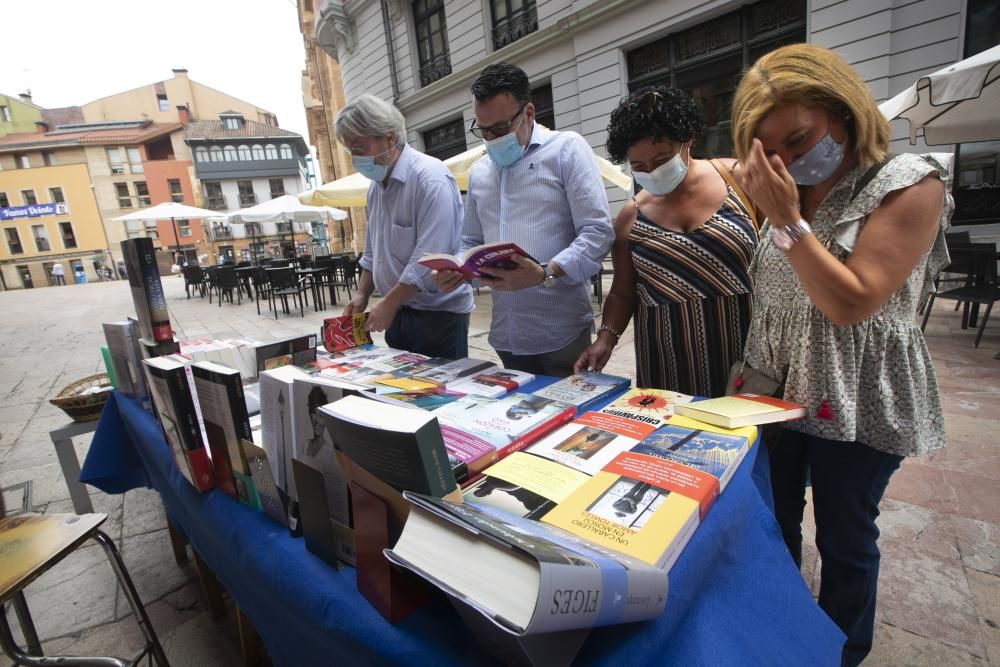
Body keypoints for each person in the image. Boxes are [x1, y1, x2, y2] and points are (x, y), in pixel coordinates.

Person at [729, 43, 952, 667]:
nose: (789, 160)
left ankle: (842, 651)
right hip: (779, 389)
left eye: (798, 140)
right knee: (774, 520)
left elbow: (852, 302)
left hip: (858, 394)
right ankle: (786, 627)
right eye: (769, 150)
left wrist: (788, 222)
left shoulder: (908, 183)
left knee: (845, 534)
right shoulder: (784, 186)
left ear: (844, 110)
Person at [573, 86, 760, 397]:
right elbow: (622, 292)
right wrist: (605, 340)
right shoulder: (630, 216)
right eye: (640, 167)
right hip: (666, 363)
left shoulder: (741, 180)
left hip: (744, 352)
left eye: (662, 159)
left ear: (688, 141)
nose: (654, 172)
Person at [433, 62, 613, 377]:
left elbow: (597, 232)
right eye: (483, 130)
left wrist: (545, 272)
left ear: (528, 113)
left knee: (569, 421)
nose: (491, 139)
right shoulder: (480, 171)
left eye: (500, 129)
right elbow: (471, 240)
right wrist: (458, 268)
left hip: (561, 332)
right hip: (507, 333)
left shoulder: (566, 151)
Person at [336, 94, 474, 359]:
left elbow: (429, 257)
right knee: (401, 392)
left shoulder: (429, 178)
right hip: (398, 311)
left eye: (360, 147)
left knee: (440, 394)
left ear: (388, 138)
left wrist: (388, 302)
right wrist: (362, 293)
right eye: (350, 150)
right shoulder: (376, 188)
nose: (355, 157)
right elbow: (372, 250)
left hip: (438, 315)